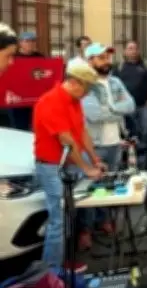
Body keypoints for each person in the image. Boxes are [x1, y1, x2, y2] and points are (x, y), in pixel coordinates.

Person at [33, 58, 106, 272]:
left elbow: (82, 133)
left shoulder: (74, 101)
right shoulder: (50, 101)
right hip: (51, 166)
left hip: (67, 164)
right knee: (58, 220)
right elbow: (67, 140)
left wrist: (95, 159)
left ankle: (64, 261)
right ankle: (51, 271)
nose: (88, 93)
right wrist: (86, 168)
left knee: (68, 216)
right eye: (87, 88)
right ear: (74, 82)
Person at [81, 43, 135, 246]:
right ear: (90, 61)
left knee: (108, 184)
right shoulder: (86, 84)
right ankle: (85, 230)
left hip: (114, 141)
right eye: (101, 57)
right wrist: (116, 109)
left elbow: (130, 105)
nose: (106, 61)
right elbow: (93, 115)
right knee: (89, 187)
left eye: (107, 57)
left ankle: (103, 221)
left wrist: (111, 107)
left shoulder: (115, 82)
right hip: (93, 144)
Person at [113, 40, 147, 168]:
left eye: (135, 48)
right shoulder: (119, 68)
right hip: (126, 109)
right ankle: (128, 162)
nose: (133, 51)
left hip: (143, 106)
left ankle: (144, 163)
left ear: (138, 51)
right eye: (130, 48)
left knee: (145, 132)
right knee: (129, 134)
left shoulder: (146, 66)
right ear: (125, 52)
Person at [8, 31, 44, 131]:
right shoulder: (12, 57)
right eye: (27, 41)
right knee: (19, 129)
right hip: (17, 99)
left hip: (35, 99)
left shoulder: (40, 57)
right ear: (20, 43)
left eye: (33, 41)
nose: (30, 43)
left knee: (37, 127)